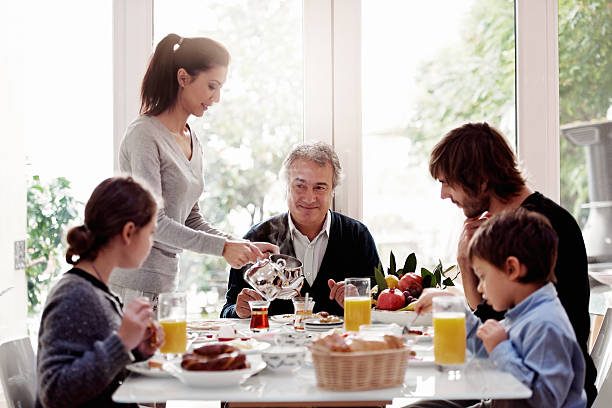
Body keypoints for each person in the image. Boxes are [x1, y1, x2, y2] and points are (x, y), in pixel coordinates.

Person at [428, 122, 596, 405]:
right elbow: (491, 320)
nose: (444, 194)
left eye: (447, 182)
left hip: (540, 388)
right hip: (511, 377)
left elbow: (496, 328)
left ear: (480, 180)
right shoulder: (507, 227)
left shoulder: (540, 228)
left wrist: (465, 264)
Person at [108, 33, 278, 307]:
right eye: (212, 86)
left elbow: (191, 218)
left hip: (165, 285)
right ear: (183, 78)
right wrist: (223, 249)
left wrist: (241, 246)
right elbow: (154, 222)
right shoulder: (144, 136)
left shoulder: (191, 139)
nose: (217, 98)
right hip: (132, 286)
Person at [410, 209, 587, 408]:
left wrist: (501, 349)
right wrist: (453, 306)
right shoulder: (523, 313)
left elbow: (542, 402)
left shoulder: (546, 325)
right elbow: (484, 353)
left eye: (483, 276)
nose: (479, 287)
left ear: (512, 268)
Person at [36, 177, 165, 408]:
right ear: (128, 232)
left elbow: (99, 371)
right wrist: (122, 342)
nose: (151, 243)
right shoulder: (74, 295)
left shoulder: (95, 290)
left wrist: (136, 349)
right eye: (151, 233)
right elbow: (53, 393)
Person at [221, 142, 380, 318]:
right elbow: (227, 310)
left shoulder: (357, 237)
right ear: (287, 186)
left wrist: (360, 301)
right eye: (300, 186)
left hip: (338, 344)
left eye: (319, 187)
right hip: (275, 345)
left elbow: (382, 306)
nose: (309, 198)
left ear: (333, 190)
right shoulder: (257, 239)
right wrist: (239, 310)